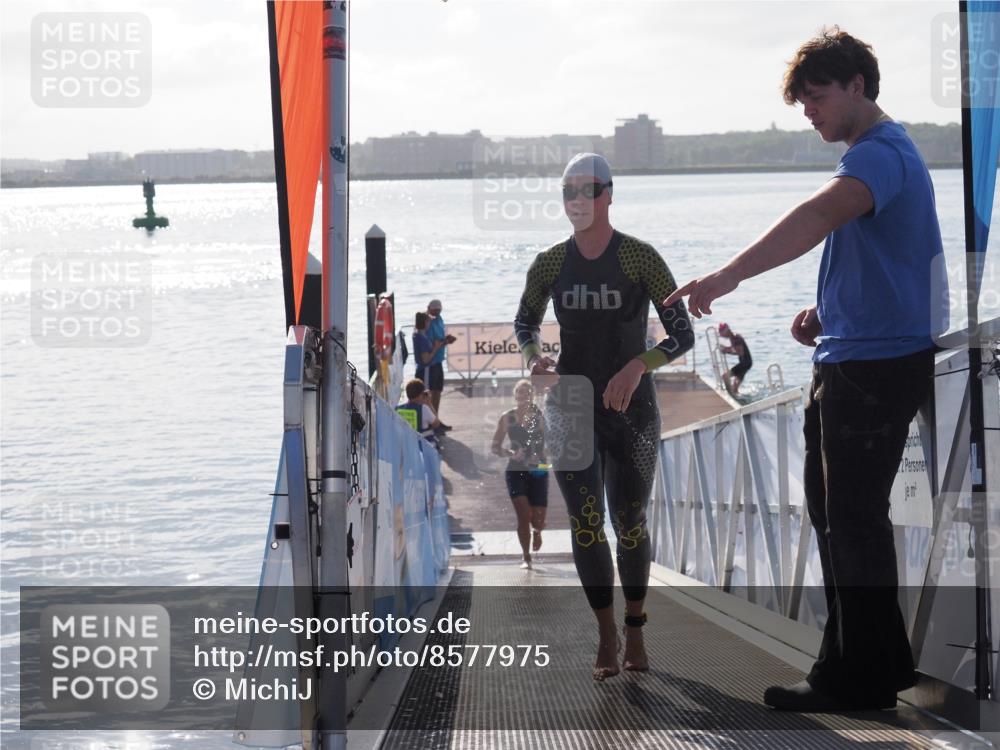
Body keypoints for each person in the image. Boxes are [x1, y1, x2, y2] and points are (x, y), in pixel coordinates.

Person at [664, 28, 944, 712]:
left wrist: (728, 274)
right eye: (804, 103)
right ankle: (853, 667)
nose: (811, 112)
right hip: (853, 355)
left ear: (857, 84)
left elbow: (819, 215)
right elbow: (882, 254)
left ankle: (865, 676)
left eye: (818, 97)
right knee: (835, 519)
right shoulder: (873, 157)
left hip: (875, 366)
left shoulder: (882, 153)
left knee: (852, 520)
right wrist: (826, 310)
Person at [514, 152, 694, 680]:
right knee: (587, 524)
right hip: (570, 404)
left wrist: (640, 364)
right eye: (567, 191)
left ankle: (635, 626)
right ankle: (605, 635)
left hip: (631, 406)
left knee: (630, 521)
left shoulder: (640, 258)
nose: (576, 200)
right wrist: (533, 358)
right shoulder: (550, 262)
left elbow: (680, 333)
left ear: (609, 194)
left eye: (587, 189)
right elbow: (525, 320)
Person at [491, 379, 549, 570]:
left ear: (532, 396)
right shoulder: (507, 417)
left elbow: (551, 444)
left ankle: (538, 531)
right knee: (524, 514)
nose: (523, 396)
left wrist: (541, 455)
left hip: (538, 469)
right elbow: (495, 447)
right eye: (520, 392)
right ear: (515, 395)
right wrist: (510, 453)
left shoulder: (541, 417)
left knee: (537, 518)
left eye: (527, 392)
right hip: (515, 470)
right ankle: (526, 556)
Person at [425, 299, 456, 430]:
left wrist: (446, 339)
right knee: (430, 392)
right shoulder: (427, 322)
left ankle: (435, 418)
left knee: (437, 391)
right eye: (435, 310)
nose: (437, 313)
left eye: (439, 310)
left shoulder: (439, 319)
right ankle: (430, 421)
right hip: (430, 362)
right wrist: (444, 342)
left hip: (438, 360)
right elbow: (432, 344)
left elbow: (439, 339)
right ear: (429, 309)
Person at [395, 378, 442, 448]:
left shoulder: (398, 409)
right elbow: (436, 424)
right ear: (420, 395)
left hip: (406, 446)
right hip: (423, 447)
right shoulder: (424, 409)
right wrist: (429, 404)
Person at [718, 322, 753, 394]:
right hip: (746, 363)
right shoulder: (733, 337)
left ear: (726, 331)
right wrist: (726, 349)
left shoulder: (736, 338)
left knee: (725, 377)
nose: (723, 337)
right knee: (735, 387)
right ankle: (735, 395)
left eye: (722, 334)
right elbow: (735, 349)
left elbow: (740, 352)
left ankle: (729, 395)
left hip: (745, 363)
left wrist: (726, 351)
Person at [412, 312, 444, 386]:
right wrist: (435, 348)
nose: (430, 324)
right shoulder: (422, 338)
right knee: (426, 393)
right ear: (425, 322)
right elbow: (426, 359)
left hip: (423, 369)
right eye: (429, 321)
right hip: (425, 370)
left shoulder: (418, 335)